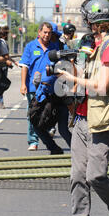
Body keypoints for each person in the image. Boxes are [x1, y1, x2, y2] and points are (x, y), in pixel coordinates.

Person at [58, 0, 109, 216]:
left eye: (87, 19)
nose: (85, 23)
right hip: (81, 117)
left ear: (93, 21)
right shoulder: (90, 44)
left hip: (104, 120)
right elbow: (84, 73)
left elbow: (103, 85)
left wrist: (73, 79)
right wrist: (71, 64)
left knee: (95, 176)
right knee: (77, 176)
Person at [19, 22, 71, 154]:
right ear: (39, 32)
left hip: (53, 90)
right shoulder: (31, 46)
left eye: (49, 33)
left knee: (57, 120)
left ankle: (76, 148)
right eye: (45, 32)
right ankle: (35, 142)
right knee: (33, 117)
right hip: (33, 89)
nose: (47, 35)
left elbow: (67, 63)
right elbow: (24, 66)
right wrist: (23, 84)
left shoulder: (56, 47)